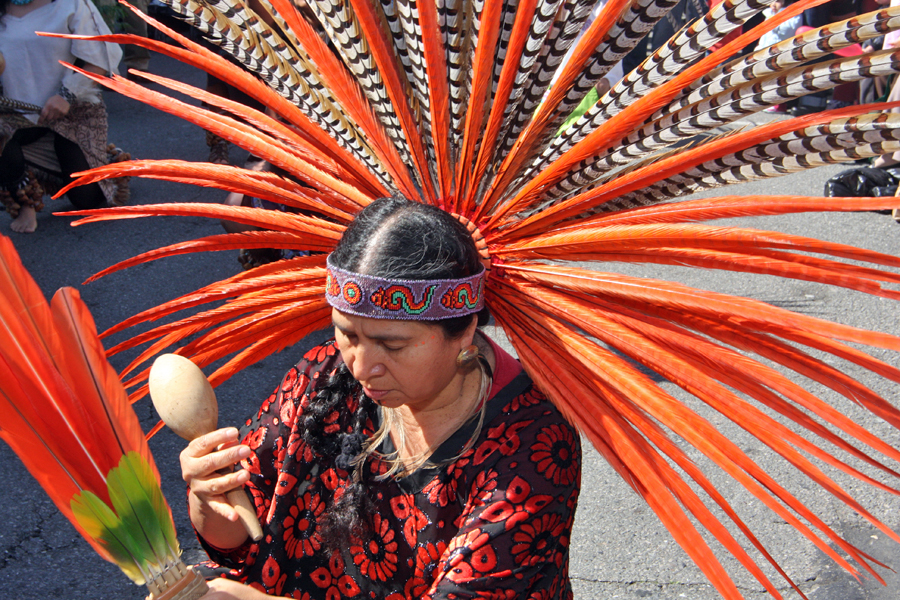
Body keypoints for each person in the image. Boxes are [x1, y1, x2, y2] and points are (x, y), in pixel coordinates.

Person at [182, 195, 582, 599]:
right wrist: (210, 501)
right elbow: (243, 539)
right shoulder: (323, 375)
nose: (360, 367)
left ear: (463, 332)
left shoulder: (533, 441)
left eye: (391, 345)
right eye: (348, 334)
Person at [0, 0, 125, 233]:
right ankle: (24, 205)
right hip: (16, 115)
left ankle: (105, 161)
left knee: (86, 200)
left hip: (73, 110)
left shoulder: (73, 4)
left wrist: (66, 95)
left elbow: (99, 56)